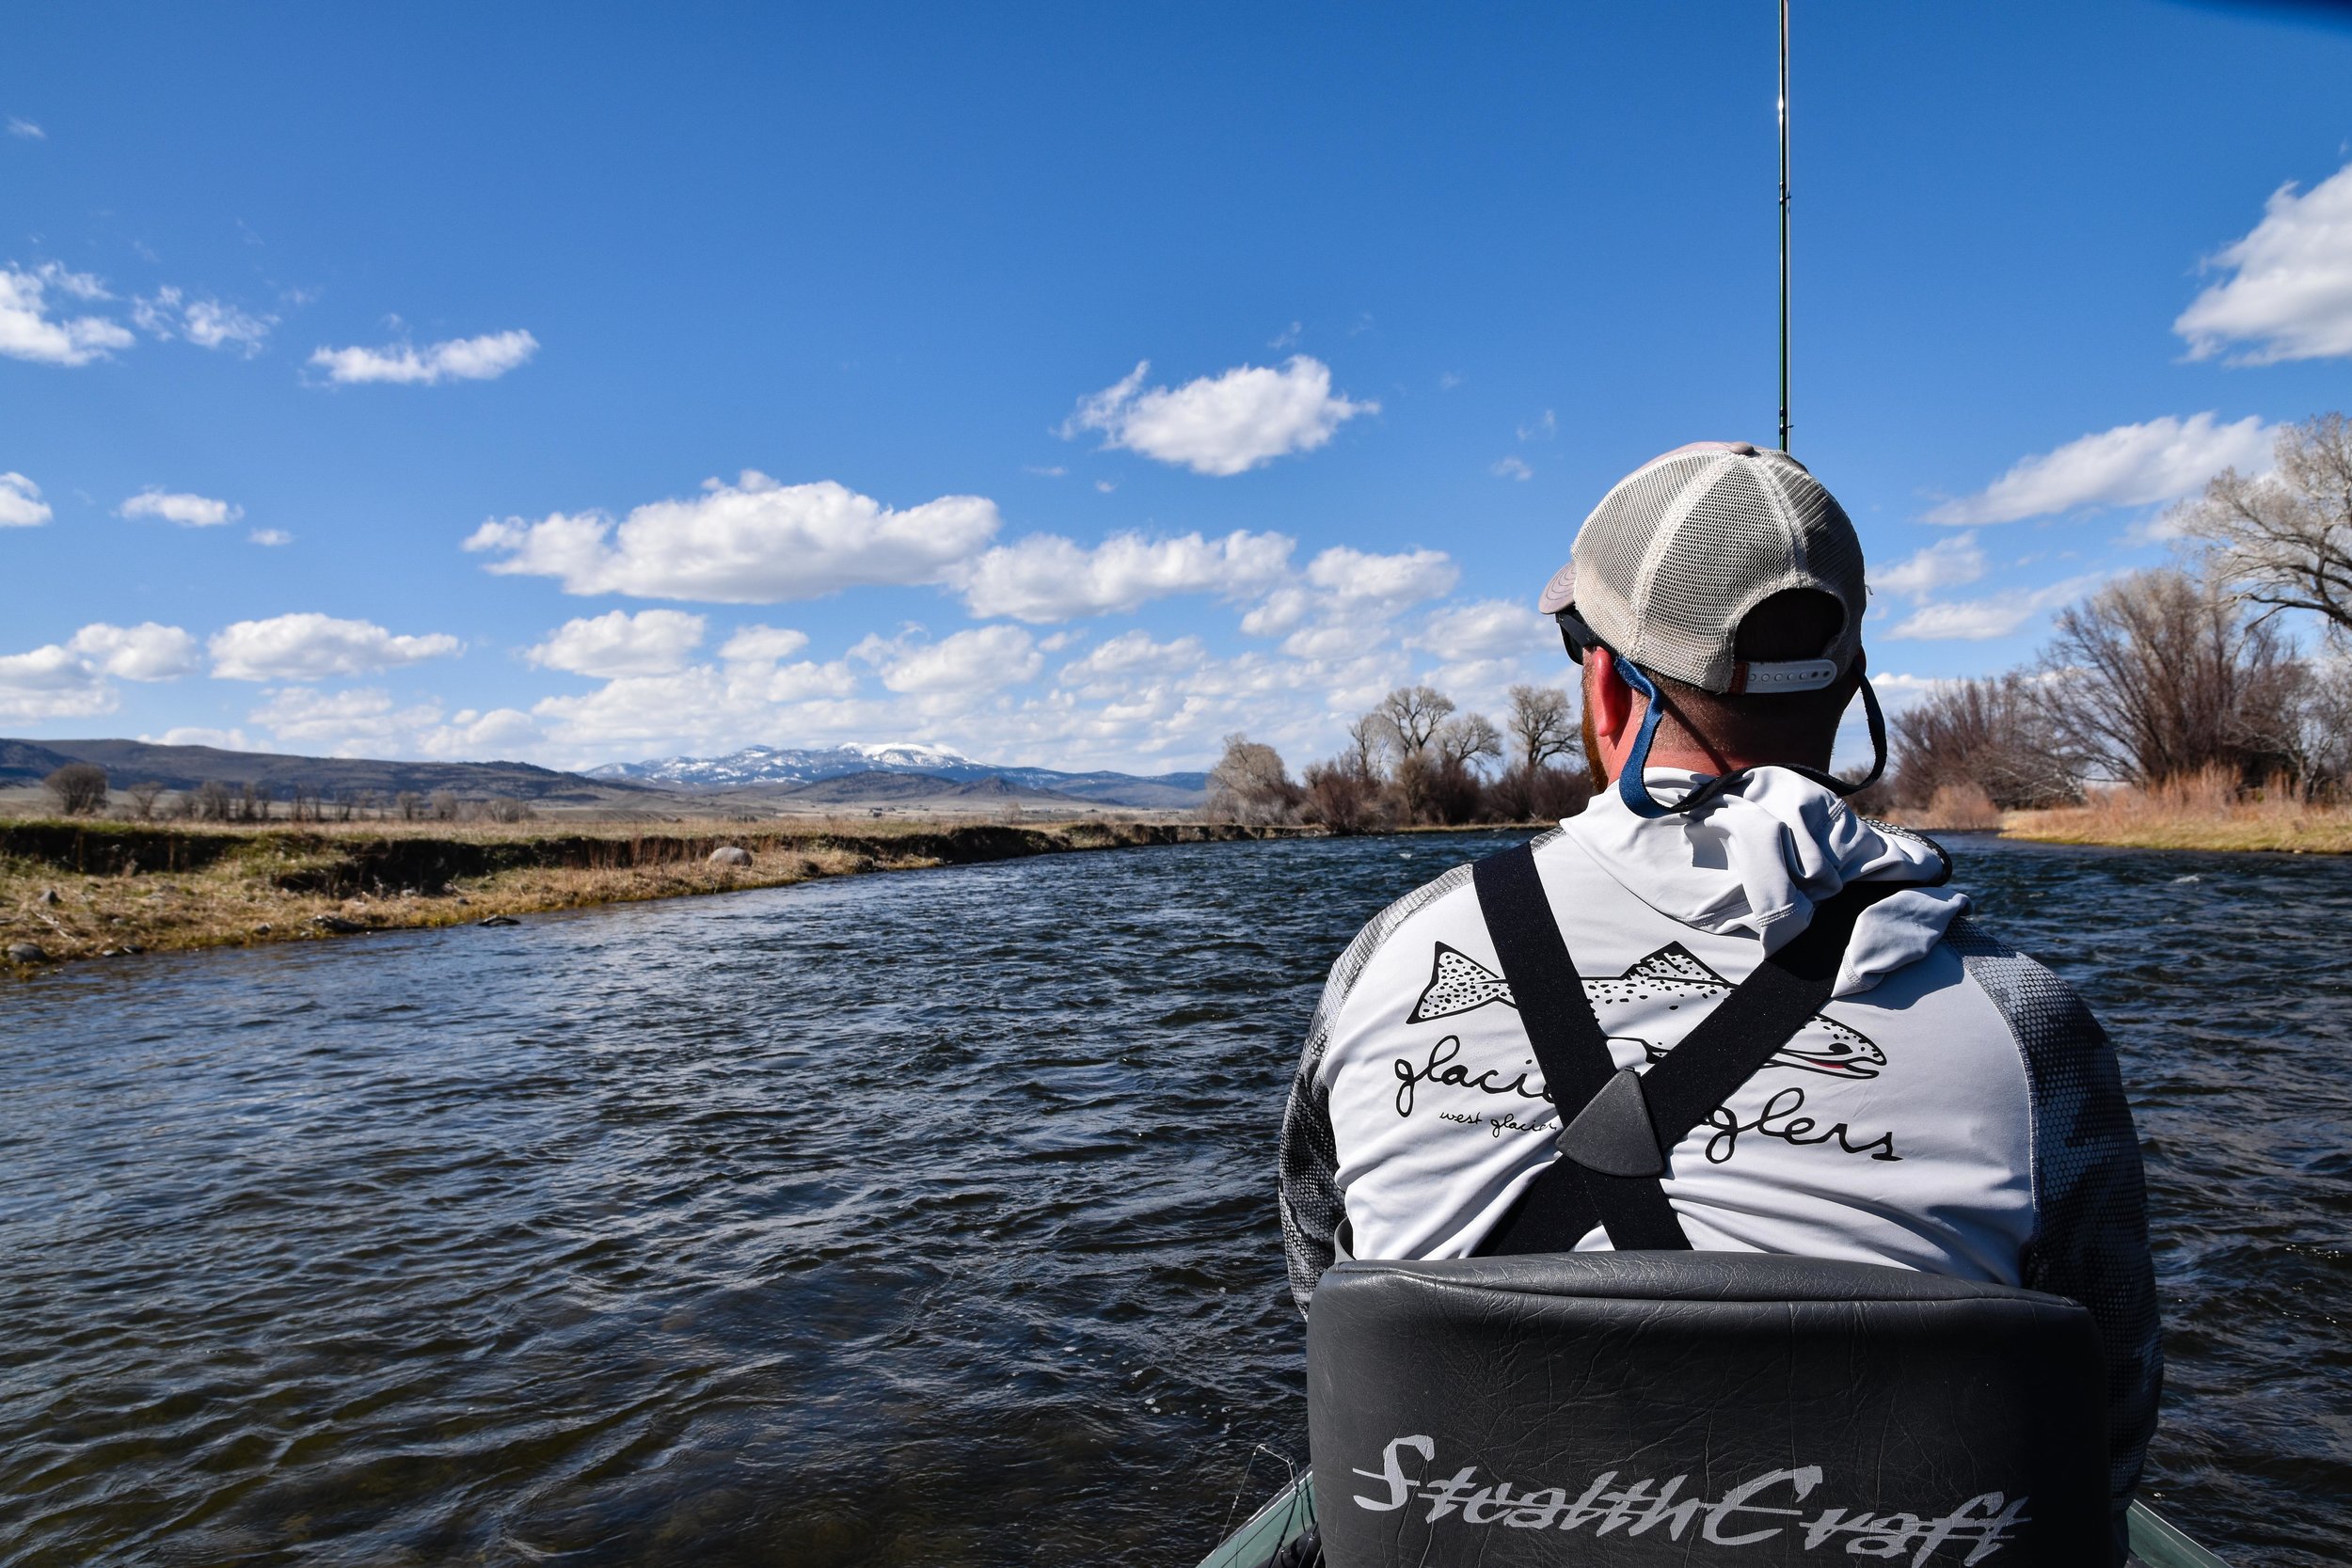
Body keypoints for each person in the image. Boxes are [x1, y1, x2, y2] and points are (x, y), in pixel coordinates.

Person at [1278, 441, 2158, 1547]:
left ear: (1603, 684)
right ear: (1847, 684)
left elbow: (1322, 1277)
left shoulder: (1390, 957)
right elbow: (2104, 1424)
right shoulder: (2029, 1027)